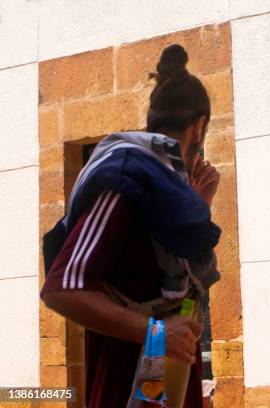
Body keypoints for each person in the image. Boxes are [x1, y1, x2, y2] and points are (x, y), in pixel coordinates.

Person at [40, 44, 221, 408]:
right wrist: (157, 332)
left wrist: (199, 206)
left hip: (169, 379)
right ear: (199, 128)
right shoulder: (125, 180)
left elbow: (171, 275)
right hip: (127, 380)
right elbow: (63, 288)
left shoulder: (165, 189)